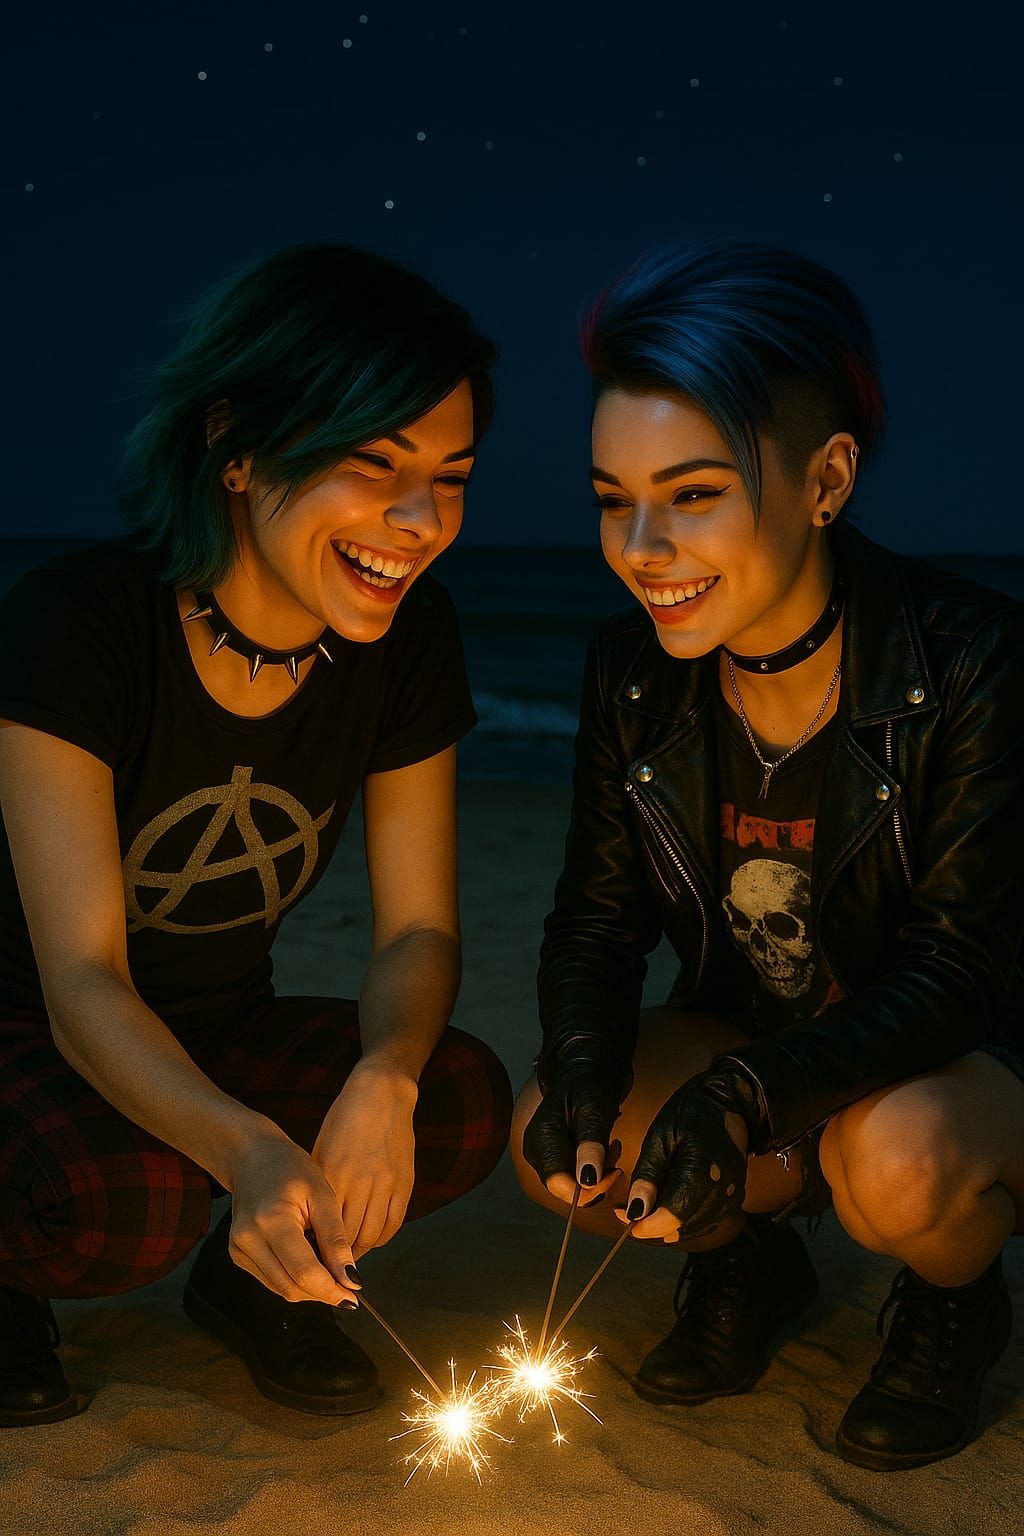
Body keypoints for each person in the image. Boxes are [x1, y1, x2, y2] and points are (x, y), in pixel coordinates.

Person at [512, 239, 1024, 1470]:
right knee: (558, 1144)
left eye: (692, 494)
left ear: (825, 479)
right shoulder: (628, 672)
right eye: (608, 498)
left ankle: (953, 1301)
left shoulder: (970, 659)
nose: (639, 546)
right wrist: (585, 1067)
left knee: (895, 1171)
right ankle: (749, 1265)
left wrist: (738, 1099)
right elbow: (596, 918)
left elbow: (957, 971)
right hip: (753, 1034)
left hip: (950, 1061)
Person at [0, 243, 512, 1427]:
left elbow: (421, 924)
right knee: (125, 1204)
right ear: (236, 445)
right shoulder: (76, 627)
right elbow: (80, 981)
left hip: (211, 1020)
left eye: (452, 475)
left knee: (461, 1095)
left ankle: (251, 1283)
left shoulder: (406, 639)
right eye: (373, 463)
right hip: (29, 1024)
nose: (420, 519)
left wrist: (383, 1077)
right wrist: (246, 1151)